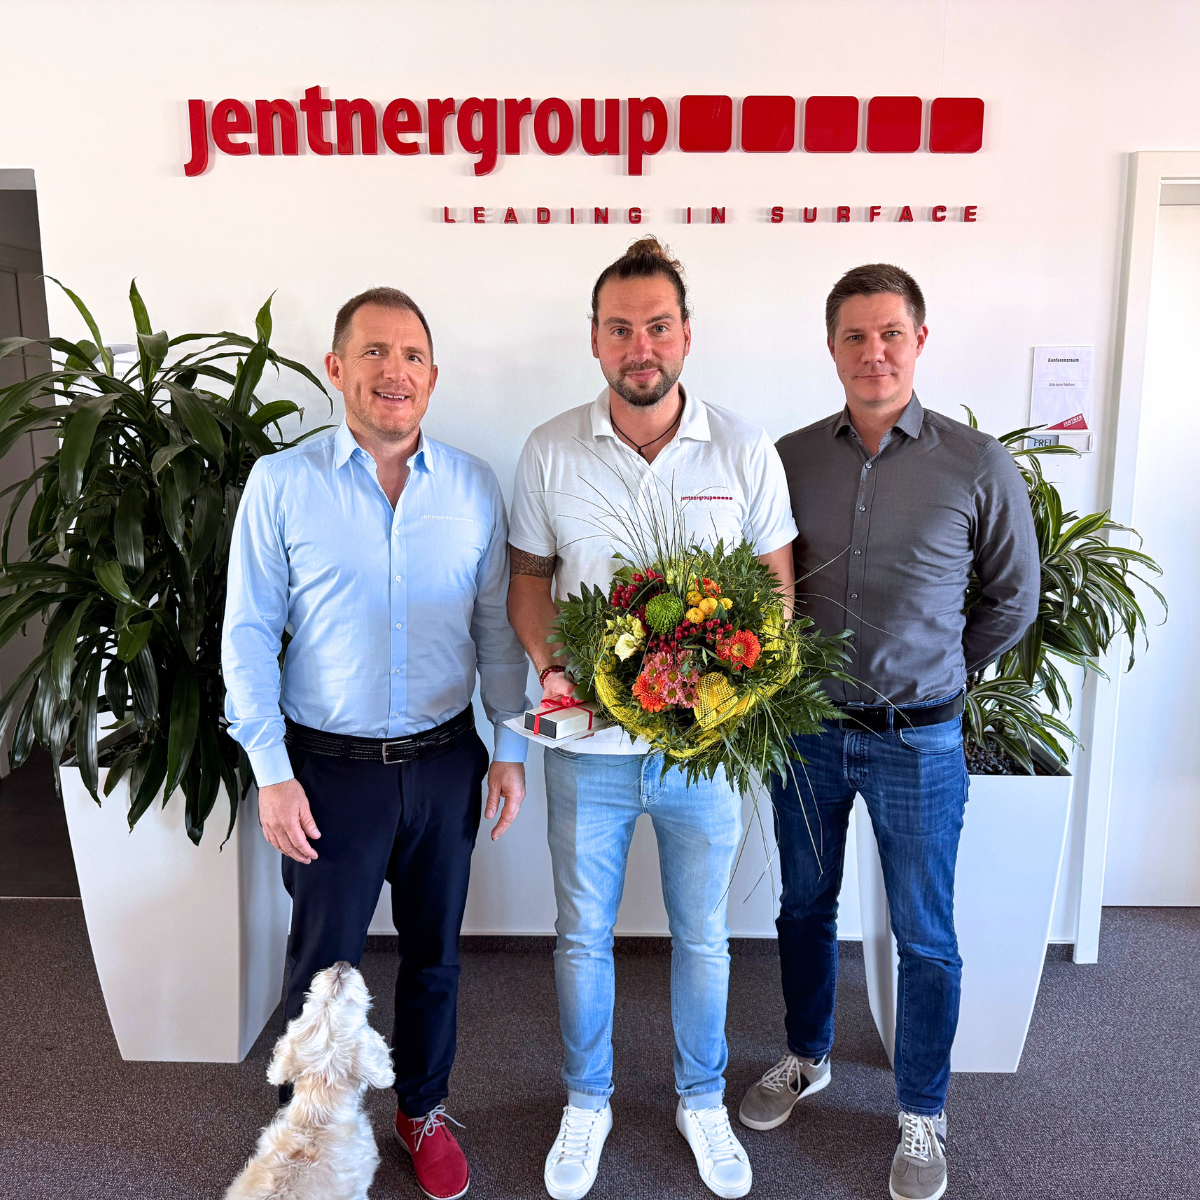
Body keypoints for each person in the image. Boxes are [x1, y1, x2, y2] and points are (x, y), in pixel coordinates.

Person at [222, 287, 530, 1200]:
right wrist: (272, 774)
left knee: (435, 959)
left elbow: (495, 630)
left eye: (412, 356)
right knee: (323, 972)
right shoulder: (282, 484)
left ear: (433, 376)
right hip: (327, 774)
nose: (394, 372)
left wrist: (511, 748)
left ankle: (421, 1110)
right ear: (336, 367)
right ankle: (311, 1131)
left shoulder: (472, 485)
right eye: (374, 352)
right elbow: (247, 633)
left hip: (444, 765)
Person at [739, 264, 1039, 1200]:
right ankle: (807, 1055)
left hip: (922, 741)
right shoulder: (788, 459)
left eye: (891, 334)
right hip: (808, 733)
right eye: (856, 337)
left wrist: (939, 667)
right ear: (832, 348)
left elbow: (1014, 598)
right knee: (802, 905)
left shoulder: (976, 463)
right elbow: (760, 583)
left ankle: (922, 1110)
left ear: (919, 340)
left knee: (925, 934)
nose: (874, 353)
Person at [507, 236, 798, 1200]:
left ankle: (699, 1098)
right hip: (586, 749)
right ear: (594, 339)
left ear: (686, 335)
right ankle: (586, 1099)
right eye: (621, 328)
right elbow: (528, 581)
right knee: (580, 935)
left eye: (658, 327)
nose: (642, 346)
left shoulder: (744, 448)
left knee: (704, 937)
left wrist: (731, 693)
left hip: (702, 755)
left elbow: (776, 593)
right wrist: (555, 667)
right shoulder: (549, 448)